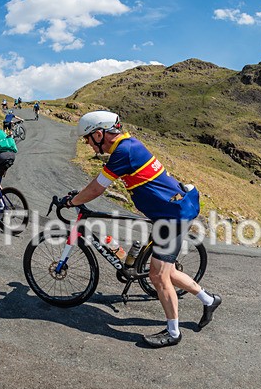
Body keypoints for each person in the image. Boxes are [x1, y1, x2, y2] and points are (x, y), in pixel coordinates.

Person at [60, 111, 222, 348]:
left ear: (99, 134)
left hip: (171, 217)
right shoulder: (127, 146)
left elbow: (97, 188)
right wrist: (79, 195)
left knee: (158, 275)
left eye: (87, 138)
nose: (87, 144)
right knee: (167, 271)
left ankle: (173, 333)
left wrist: (71, 202)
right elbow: (96, 184)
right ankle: (209, 300)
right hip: (169, 213)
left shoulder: (124, 151)